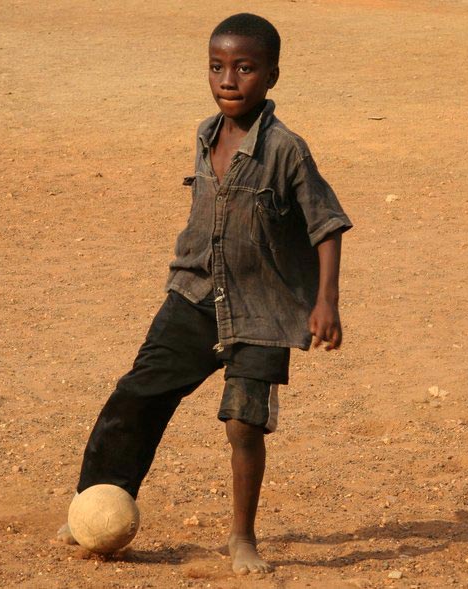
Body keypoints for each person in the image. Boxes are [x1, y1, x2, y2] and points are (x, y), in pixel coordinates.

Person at [58, 13, 352, 574]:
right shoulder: (204, 133)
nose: (228, 80)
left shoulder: (287, 149)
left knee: (244, 424)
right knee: (136, 396)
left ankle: (242, 539)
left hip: (263, 311)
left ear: (272, 76)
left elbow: (327, 224)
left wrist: (326, 301)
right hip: (194, 294)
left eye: (244, 68)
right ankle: (90, 506)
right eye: (217, 67)